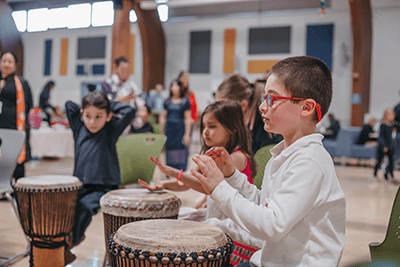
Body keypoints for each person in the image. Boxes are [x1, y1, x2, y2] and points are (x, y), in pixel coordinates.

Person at [190, 56, 346, 267]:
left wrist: (219, 188)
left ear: (306, 107)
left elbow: (271, 225)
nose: (262, 107)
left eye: (272, 99)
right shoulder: (284, 154)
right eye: (264, 98)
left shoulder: (310, 162)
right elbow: (262, 205)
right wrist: (232, 176)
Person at [139, 100, 262, 250]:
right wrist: (163, 185)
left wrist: (174, 173)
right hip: (217, 216)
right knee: (175, 216)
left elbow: (209, 188)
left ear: (232, 129)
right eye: (204, 126)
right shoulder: (214, 155)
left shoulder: (236, 158)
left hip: (233, 222)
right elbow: (186, 183)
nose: (205, 132)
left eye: (212, 126)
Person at [65, 91, 136, 261]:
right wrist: (93, 106)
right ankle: (64, 246)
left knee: (83, 207)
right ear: (82, 114)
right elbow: (69, 104)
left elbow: (130, 111)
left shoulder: (111, 129)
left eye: (99, 116)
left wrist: (110, 102)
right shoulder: (79, 127)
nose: (92, 122)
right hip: (80, 185)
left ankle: (71, 243)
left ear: (108, 116)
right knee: (62, 207)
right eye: (88, 116)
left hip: (104, 186)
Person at [215, 74, 282, 154]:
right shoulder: (242, 128)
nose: (219, 113)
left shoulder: (266, 132)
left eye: (224, 108)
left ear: (243, 105)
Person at [0, 52, 33, 179]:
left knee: (17, 161)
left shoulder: (21, 83)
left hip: (15, 127)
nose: (6, 64)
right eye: (4, 61)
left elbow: (28, 104)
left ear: (15, 65)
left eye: (10, 61)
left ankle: (18, 193)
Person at [160, 79, 191, 171]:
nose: (174, 87)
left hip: (180, 130)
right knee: (169, 151)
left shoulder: (185, 101)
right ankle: (170, 172)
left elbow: (188, 119)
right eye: (172, 85)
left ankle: (180, 172)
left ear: (180, 88)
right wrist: (161, 132)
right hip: (169, 130)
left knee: (180, 152)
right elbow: (163, 118)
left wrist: (187, 134)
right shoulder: (167, 101)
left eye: (176, 85)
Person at [373, 108, 397, 181]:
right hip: (383, 146)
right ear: (385, 116)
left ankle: (391, 175)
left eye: (392, 114)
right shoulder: (383, 125)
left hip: (391, 146)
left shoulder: (394, 125)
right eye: (389, 115)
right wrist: (384, 146)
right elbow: (381, 137)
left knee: (391, 161)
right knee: (380, 160)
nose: (391, 116)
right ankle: (375, 173)